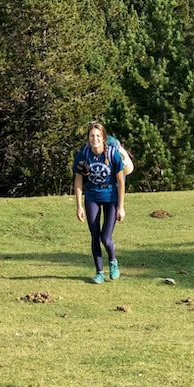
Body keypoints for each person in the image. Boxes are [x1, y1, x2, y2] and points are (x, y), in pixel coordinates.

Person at [73, 121, 126, 284]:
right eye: (91, 136)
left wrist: (121, 207)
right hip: (92, 197)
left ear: (103, 138)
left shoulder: (112, 155)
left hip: (110, 197)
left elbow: (121, 181)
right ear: (88, 138)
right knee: (94, 235)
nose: (94, 139)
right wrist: (79, 206)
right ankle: (99, 272)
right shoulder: (84, 155)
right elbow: (79, 181)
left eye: (97, 136)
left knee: (105, 237)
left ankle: (113, 261)